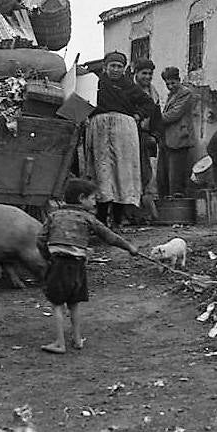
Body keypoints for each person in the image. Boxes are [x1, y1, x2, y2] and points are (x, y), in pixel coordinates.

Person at [37, 178, 139, 354]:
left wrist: (48, 256)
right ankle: (77, 340)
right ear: (81, 198)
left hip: (58, 265)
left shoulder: (54, 216)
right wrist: (129, 247)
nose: (95, 202)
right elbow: (109, 236)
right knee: (74, 303)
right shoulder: (88, 218)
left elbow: (40, 240)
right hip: (78, 266)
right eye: (92, 199)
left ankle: (60, 343)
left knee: (57, 304)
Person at [86, 51, 156, 228]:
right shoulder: (96, 83)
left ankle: (117, 219)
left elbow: (148, 104)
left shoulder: (129, 86)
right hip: (100, 130)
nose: (116, 70)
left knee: (121, 173)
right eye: (112, 66)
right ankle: (101, 219)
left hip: (123, 133)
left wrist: (138, 115)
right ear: (105, 67)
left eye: (119, 66)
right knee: (102, 171)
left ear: (124, 69)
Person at [158, 66, 196, 198]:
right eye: (167, 84)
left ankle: (177, 208)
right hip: (168, 140)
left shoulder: (186, 93)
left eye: (173, 83)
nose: (170, 86)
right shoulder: (172, 95)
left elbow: (174, 114)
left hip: (179, 140)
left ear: (179, 80)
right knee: (164, 177)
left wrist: (154, 118)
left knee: (176, 177)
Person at [132, 58, 162, 213]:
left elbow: (158, 119)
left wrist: (155, 136)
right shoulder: (129, 90)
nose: (148, 77)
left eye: (150, 74)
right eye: (144, 73)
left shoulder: (153, 93)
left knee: (147, 175)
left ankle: (146, 212)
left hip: (146, 138)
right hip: (131, 137)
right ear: (136, 73)